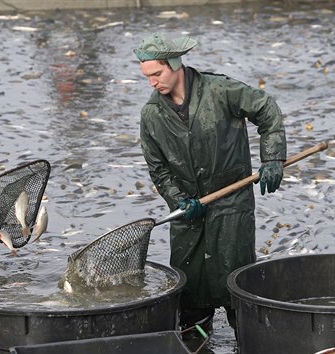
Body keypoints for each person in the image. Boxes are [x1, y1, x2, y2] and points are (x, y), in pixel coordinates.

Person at [134, 32, 287, 336]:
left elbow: (267, 110)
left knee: (236, 286)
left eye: (157, 73)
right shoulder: (151, 115)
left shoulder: (220, 91)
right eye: (147, 76)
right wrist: (178, 201)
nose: (152, 82)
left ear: (175, 64)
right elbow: (159, 169)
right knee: (189, 293)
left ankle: (247, 339)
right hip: (189, 213)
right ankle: (195, 338)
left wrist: (272, 159)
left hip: (232, 204)